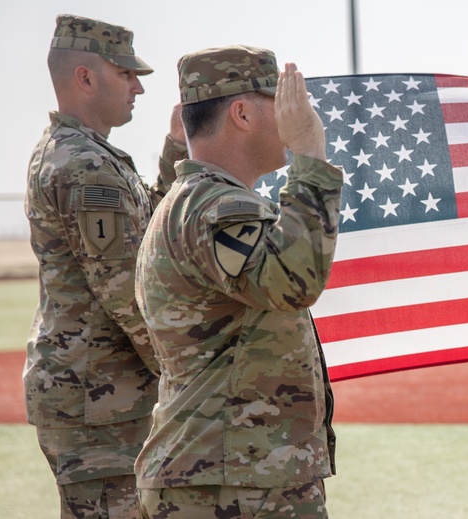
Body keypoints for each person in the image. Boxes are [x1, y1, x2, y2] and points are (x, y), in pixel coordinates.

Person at [133, 45, 342, 518]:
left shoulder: (196, 200)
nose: (296, 116)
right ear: (242, 113)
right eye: (282, 103)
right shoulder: (217, 206)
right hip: (232, 483)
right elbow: (292, 280)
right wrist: (310, 156)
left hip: (223, 474)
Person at [24, 13, 187, 519]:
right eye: (126, 73)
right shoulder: (85, 165)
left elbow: (146, 238)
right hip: (100, 400)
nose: (139, 87)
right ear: (86, 78)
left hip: (98, 392)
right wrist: (186, 374)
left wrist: (177, 148)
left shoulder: (88, 154)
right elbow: (127, 290)